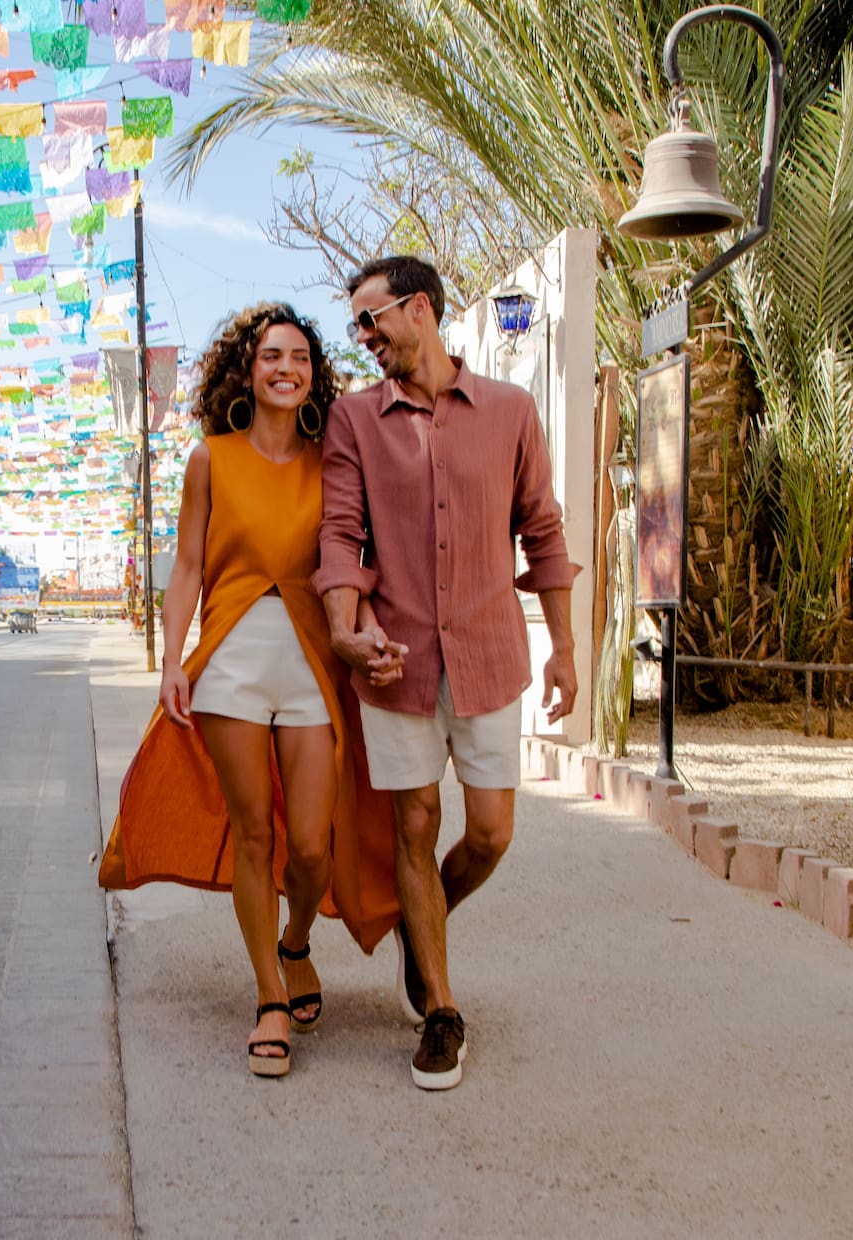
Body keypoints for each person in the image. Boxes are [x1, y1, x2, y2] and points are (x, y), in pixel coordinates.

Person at [101, 303, 398, 1080]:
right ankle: (269, 991)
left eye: (300, 357)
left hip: (310, 659)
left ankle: (297, 937)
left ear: (313, 374)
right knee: (254, 838)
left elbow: (353, 554)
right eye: (272, 355)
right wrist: (174, 658)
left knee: (309, 842)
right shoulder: (211, 458)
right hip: (230, 659)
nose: (286, 368)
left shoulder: (332, 458)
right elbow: (190, 570)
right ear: (248, 366)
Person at [316, 255, 580, 1092]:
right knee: (415, 826)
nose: (362, 338)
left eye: (371, 319)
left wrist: (566, 648)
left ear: (419, 309)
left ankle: (417, 924)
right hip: (394, 661)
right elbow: (340, 538)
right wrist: (347, 633)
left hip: (490, 654)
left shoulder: (510, 410)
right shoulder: (355, 420)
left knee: (493, 832)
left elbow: (542, 531)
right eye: (356, 324)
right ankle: (439, 1008)